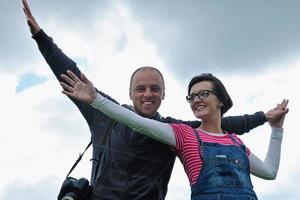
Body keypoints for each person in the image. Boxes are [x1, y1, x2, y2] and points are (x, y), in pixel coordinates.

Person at [22, 0, 287, 199]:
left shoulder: (175, 131)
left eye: (154, 89)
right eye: (140, 89)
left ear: (163, 94)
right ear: (130, 94)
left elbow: (221, 126)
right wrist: (41, 38)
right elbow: (70, 74)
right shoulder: (104, 113)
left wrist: (264, 118)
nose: (147, 94)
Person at [60, 70, 288, 200]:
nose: (197, 99)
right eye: (192, 96)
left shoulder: (236, 143)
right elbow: (137, 122)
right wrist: (96, 100)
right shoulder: (184, 135)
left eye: (204, 93)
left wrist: (276, 129)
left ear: (220, 99)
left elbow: (269, 172)